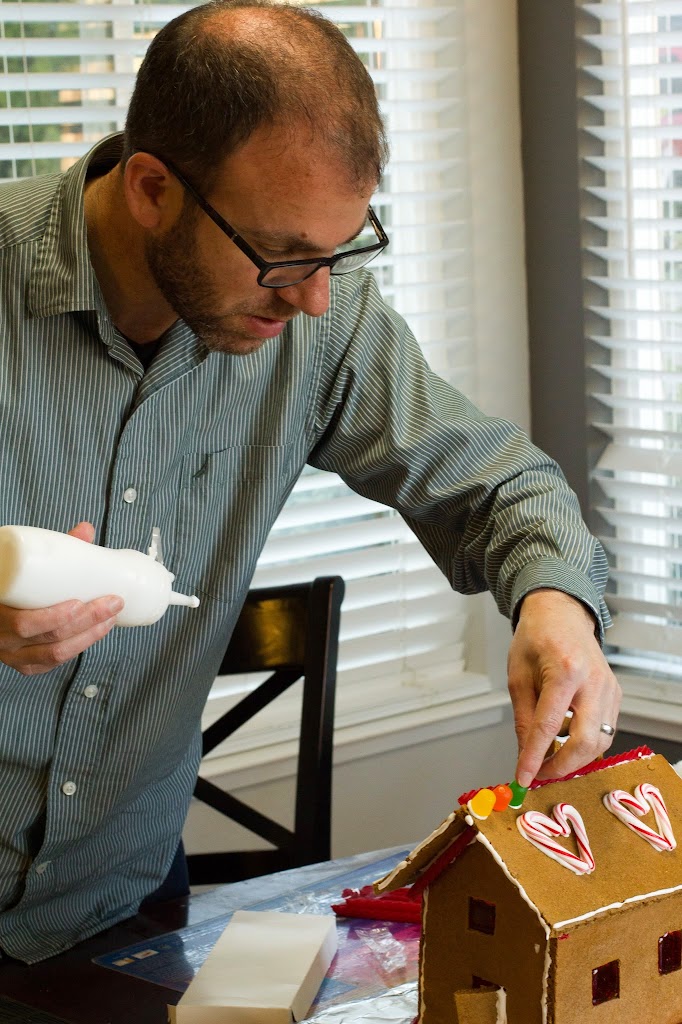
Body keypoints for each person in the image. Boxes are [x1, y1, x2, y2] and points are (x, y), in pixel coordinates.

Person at [0, 0, 620, 963]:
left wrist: (555, 605)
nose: (315, 296)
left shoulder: (319, 316)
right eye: (281, 257)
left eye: (339, 249)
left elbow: (496, 480)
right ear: (153, 188)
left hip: (117, 907)